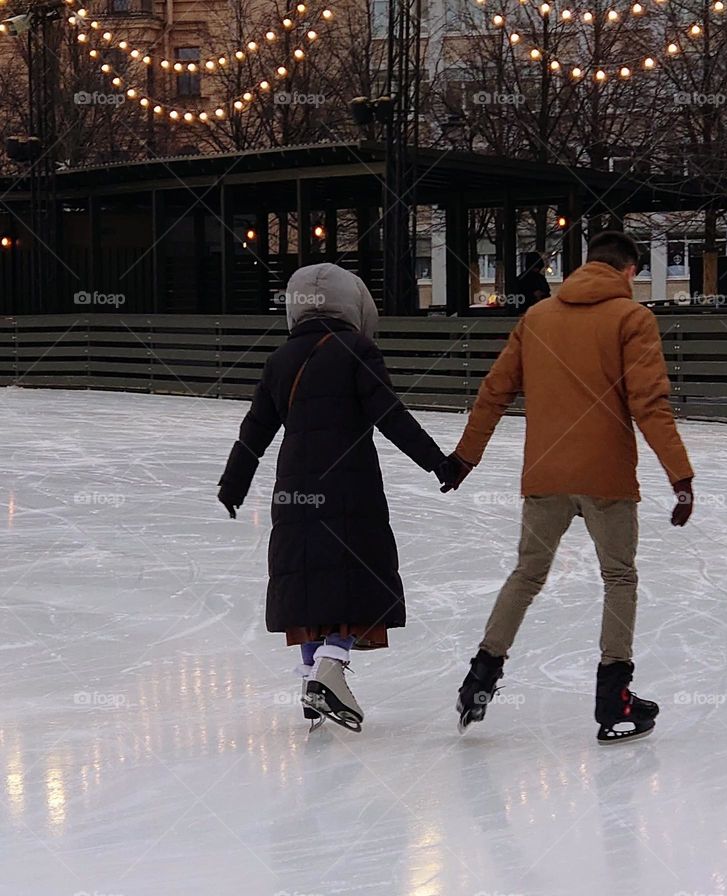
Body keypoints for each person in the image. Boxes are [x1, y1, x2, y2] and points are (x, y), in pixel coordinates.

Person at [441, 231, 695, 744]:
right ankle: (614, 698)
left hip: (546, 473)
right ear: (628, 270)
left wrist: (465, 457)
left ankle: (480, 679)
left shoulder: (536, 318)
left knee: (527, 574)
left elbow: (494, 391)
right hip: (607, 478)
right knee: (619, 578)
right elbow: (650, 404)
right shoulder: (632, 318)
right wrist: (680, 476)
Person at [217, 263, 462, 734]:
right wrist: (438, 462)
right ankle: (329, 667)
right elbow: (391, 415)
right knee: (351, 579)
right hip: (347, 484)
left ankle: (312, 678)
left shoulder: (280, 360)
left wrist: (233, 484)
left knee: (310, 580)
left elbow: (255, 432)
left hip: (293, 488)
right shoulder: (356, 350)